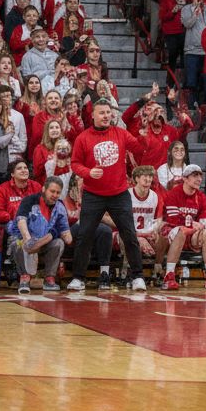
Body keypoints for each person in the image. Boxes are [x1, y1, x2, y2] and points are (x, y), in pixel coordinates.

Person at [67, 98, 150, 292]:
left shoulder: (120, 133)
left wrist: (142, 134)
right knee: (85, 235)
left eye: (108, 112)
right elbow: (75, 164)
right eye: (102, 113)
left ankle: (138, 276)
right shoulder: (83, 137)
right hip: (93, 194)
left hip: (119, 193)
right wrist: (88, 173)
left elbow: (140, 149)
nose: (106, 116)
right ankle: (78, 278)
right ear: (93, 115)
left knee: (129, 234)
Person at [9, 176, 75, 295]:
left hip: (45, 241)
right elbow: (21, 220)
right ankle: (24, 278)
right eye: (52, 191)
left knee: (59, 243)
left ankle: (49, 279)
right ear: (44, 189)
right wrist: (28, 239)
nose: (55, 195)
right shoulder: (29, 201)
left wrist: (73, 231)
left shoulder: (60, 206)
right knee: (16, 243)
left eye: (58, 192)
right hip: (26, 239)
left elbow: (67, 234)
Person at [160, 164, 206, 291]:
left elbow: (204, 222)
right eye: (195, 175)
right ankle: (169, 276)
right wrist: (194, 225)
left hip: (191, 235)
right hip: (171, 232)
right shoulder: (173, 194)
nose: (199, 179)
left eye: (200, 175)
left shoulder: (202, 197)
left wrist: (195, 226)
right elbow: (174, 220)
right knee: (180, 232)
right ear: (185, 178)